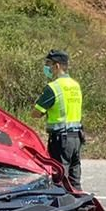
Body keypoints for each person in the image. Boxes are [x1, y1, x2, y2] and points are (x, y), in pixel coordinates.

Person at [34, 49, 83, 189]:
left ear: (57, 66)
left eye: (48, 64)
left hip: (61, 139)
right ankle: (80, 205)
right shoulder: (75, 85)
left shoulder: (53, 87)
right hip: (77, 137)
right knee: (74, 177)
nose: (47, 68)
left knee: (60, 178)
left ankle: (62, 206)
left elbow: (36, 113)